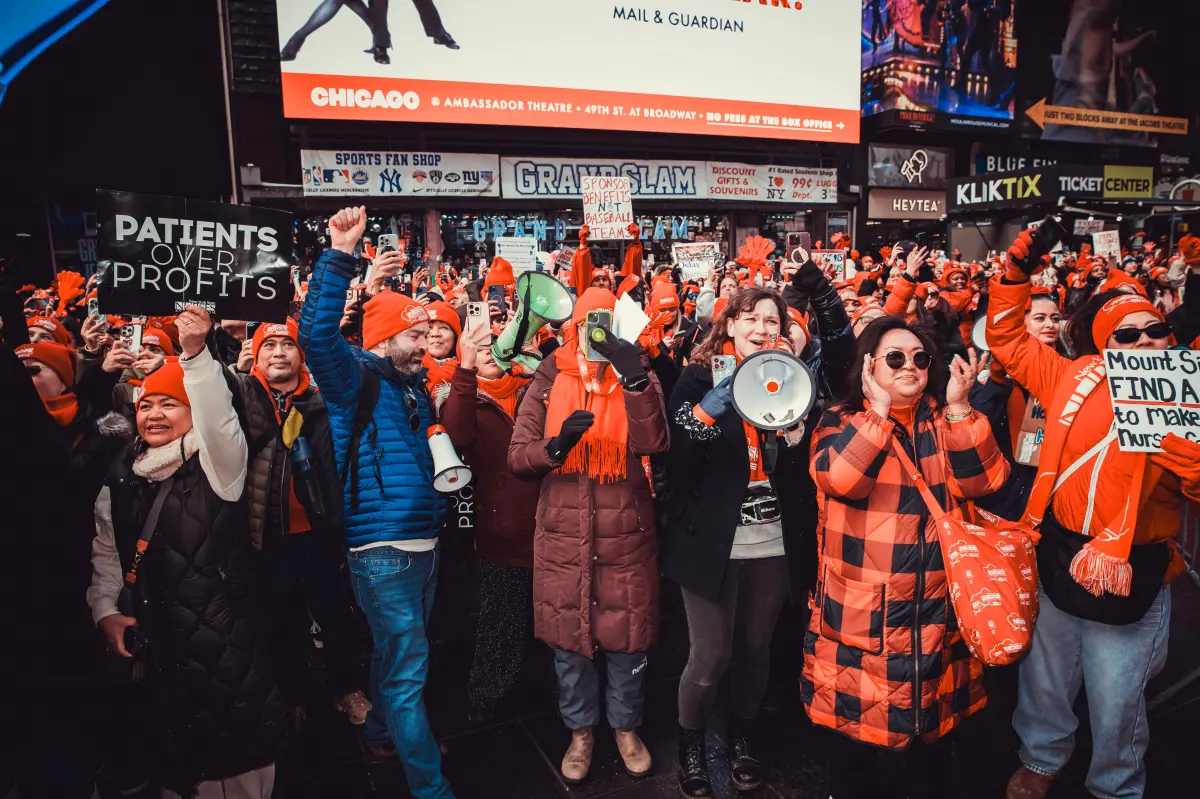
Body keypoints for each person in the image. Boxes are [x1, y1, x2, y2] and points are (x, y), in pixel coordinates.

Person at [987, 229, 1200, 799]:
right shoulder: (1070, 376)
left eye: (1157, 329)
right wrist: (1014, 271)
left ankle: (1115, 785)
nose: (1145, 341)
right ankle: (1042, 758)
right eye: (1127, 334)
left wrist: (1188, 457)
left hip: (1133, 567)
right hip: (1057, 550)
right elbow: (1007, 339)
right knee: (1046, 679)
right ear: (1105, 346)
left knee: (1118, 695)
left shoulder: (1190, 395)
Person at [805, 316, 1010, 799]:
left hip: (936, 610)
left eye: (920, 357)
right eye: (895, 357)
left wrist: (960, 408)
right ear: (870, 366)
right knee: (854, 749)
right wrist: (876, 414)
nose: (910, 366)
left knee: (931, 748)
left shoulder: (947, 418)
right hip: (862, 618)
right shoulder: (838, 420)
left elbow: (986, 482)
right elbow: (841, 480)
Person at [662, 270, 849, 798]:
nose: (764, 328)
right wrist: (710, 408)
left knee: (755, 650)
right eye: (753, 319)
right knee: (709, 656)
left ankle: (744, 738)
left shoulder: (792, 378)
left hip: (770, 541)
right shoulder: (700, 377)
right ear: (730, 327)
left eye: (774, 321)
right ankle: (692, 742)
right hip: (710, 545)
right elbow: (677, 455)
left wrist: (795, 434)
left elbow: (804, 472)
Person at [88, 305, 287, 798]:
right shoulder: (123, 472)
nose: (154, 414)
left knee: (238, 770)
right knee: (179, 771)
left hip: (225, 654)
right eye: (145, 405)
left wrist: (195, 354)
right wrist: (105, 609)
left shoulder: (220, 465)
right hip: (161, 655)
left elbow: (220, 419)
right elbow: (108, 550)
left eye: (169, 404)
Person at [300, 206, 455, 799]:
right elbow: (315, 335)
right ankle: (430, 788)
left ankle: (379, 735)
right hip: (382, 550)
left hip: (423, 545)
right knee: (409, 673)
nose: (426, 342)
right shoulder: (353, 377)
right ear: (384, 338)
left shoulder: (409, 383)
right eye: (415, 335)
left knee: (396, 657)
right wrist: (341, 252)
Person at [508, 288, 669, 784]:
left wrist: (634, 377)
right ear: (573, 327)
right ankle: (581, 734)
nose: (595, 331)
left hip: (626, 534)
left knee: (629, 640)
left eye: (603, 322)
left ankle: (626, 729)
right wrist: (554, 449)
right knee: (568, 641)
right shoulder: (549, 374)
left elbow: (655, 442)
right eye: (587, 322)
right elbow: (518, 456)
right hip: (563, 532)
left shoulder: (635, 369)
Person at [230, 318, 368, 727]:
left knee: (335, 616)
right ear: (256, 354)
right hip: (268, 536)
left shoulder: (324, 400)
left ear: (300, 353)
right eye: (268, 344)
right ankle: (294, 696)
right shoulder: (243, 396)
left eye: (287, 343)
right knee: (280, 621)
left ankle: (347, 690)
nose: (278, 352)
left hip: (320, 533)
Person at [436, 321, 541, 723]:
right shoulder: (458, 393)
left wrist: (536, 362)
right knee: (502, 621)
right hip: (503, 531)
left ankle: (546, 689)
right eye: (479, 349)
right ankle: (487, 695)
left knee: (548, 617)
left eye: (494, 347)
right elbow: (458, 435)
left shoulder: (531, 388)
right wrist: (463, 370)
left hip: (548, 525)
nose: (488, 353)